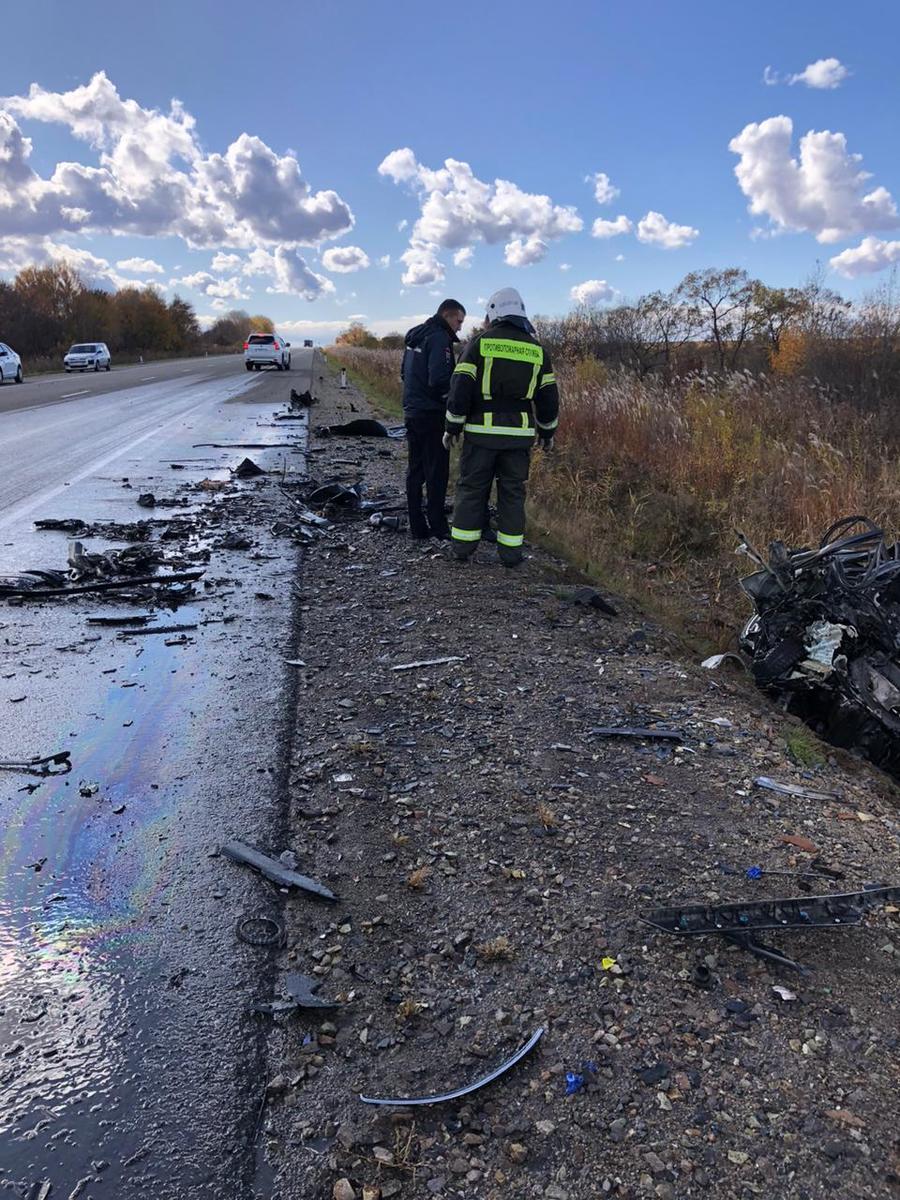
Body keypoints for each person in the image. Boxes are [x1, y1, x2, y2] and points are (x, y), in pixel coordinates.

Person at [443, 287, 559, 567]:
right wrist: (547, 431)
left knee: (472, 488)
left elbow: (460, 389)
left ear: (493, 313)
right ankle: (510, 554)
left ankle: (462, 549)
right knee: (512, 493)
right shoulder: (537, 351)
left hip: (481, 434)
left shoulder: (480, 344)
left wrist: (453, 426)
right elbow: (548, 397)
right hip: (518, 437)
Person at [401, 299, 466, 540]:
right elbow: (440, 379)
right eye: (459, 321)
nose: (460, 327)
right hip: (431, 414)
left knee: (415, 470)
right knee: (437, 472)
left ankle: (417, 526)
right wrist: (453, 406)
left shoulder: (416, 337)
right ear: (447, 316)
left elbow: (403, 373)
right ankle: (438, 527)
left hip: (412, 411)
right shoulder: (440, 338)